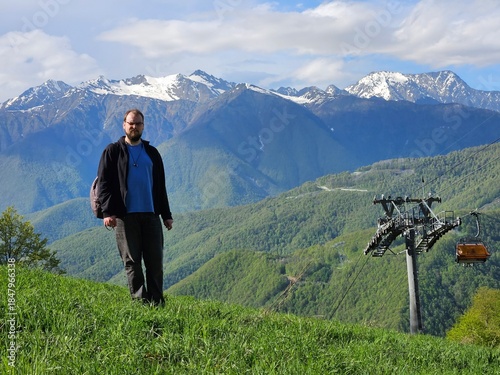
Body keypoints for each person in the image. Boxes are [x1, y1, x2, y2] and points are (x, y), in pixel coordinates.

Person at [97, 108, 173, 306]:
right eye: (131, 123)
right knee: (132, 262)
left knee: (155, 262)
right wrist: (107, 212)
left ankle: (157, 302)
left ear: (143, 126)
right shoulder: (113, 151)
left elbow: (160, 186)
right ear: (124, 125)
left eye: (138, 123)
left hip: (150, 215)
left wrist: (166, 215)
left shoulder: (152, 153)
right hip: (124, 216)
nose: (134, 126)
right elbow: (103, 185)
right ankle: (140, 302)